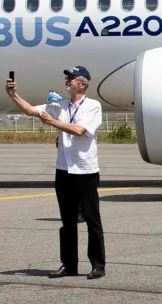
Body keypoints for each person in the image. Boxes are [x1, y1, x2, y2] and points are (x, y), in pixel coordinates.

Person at [6, 67, 104, 279]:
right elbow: (31, 111)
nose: (67, 81)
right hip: (64, 170)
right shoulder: (59, 105)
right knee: (67, 221)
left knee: (92, 219)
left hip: (85, 170)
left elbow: (79, 130)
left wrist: (51, 121)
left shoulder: (93, 106)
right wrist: (14, 95)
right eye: (67, 77)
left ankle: (98, 265)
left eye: (71, 78)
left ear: (82, 84)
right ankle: (69, 265)